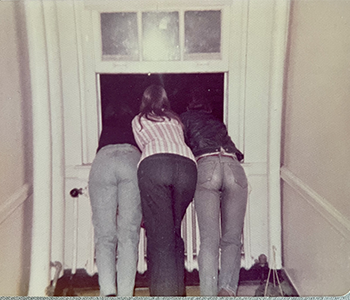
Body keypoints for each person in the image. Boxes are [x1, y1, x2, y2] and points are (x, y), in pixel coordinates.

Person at [180, 85, 248, 297]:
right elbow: (238, 152)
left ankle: (209, 294)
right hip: (233, 167)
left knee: (209, 240)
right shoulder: (217, 122)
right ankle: (227, 290)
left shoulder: (183, 119)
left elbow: (181, 148)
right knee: (232, 239)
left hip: (207, 166)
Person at [131, 84, 197, 296]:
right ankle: (177, 293)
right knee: (174, 232)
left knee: (160, 238)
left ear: (145, 99)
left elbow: (144, 147)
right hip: (187, 167)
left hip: (156, 165)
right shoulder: (175, 120)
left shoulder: (138, 120)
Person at [88, 102, 142, 296]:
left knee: (104, 235)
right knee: (128, 235)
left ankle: (108, 291)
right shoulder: (136, 125)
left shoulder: (106, 127)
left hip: (103, 161)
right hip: (131, 159)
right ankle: (126, 294)